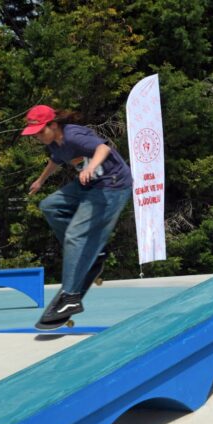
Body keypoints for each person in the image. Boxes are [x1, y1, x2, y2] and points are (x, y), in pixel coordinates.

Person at [23, 105, 132, 324]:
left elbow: (104, 149)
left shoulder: (74, 136)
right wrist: (41, 180)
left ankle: (71, 297)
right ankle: (91, 253)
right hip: (88, 185)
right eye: (34, 135)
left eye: (40, 132)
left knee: (75, 235)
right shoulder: (54, 141)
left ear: (53, 125)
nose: (38, 138)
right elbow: (55, 159)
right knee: (50, 205)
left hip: (111, 186)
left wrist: (90, 167)